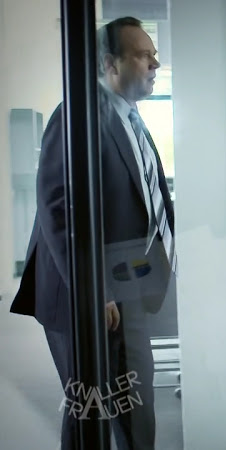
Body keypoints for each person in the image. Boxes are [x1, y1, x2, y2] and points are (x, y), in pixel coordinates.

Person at [10, 16, 175, 450]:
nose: (155, 64)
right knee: (93, 409)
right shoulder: (78, 115)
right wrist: (95, 290)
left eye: (154, 55)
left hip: (126, 286)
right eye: (143, 55)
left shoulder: (131, 118)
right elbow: (57, 209)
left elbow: (144, 198)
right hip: (87, 293)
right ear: (109, 64)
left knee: (130, 405)